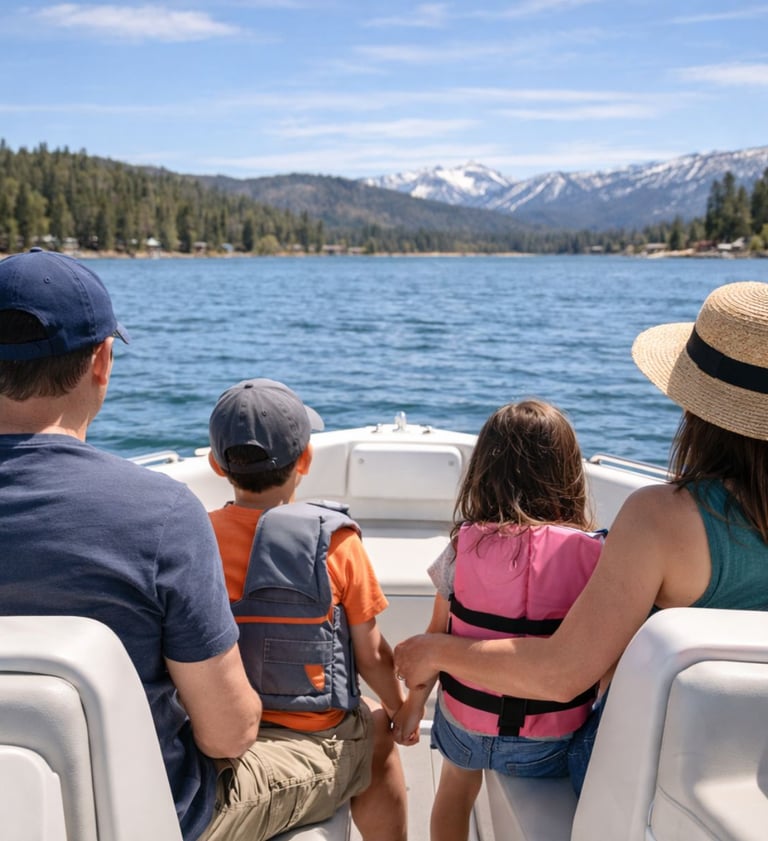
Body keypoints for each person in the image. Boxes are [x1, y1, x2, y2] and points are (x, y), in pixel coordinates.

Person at [0, 248, 373, 841]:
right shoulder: (160, 516)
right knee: (361, 743)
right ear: (102, 360)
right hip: (147, 817)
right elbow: (228, 735)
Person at [394, 280, 768, 796]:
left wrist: (434, 650)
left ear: (699, 410)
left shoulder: (663, 519)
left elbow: (562, 676)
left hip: (655, 774)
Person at [391, 400, 604, 841]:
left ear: (484, 472)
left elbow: (437, 639)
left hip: (465, 727)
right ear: (569, 472)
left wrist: (412, 708)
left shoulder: (461, 548)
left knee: (454, 789)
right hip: (549, 743)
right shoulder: (595, 557)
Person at [206, 377, 408, 841]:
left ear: (218, 466)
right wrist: (401, 708)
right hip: (311, 738)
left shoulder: (196, 537)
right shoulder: (335, 542)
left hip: (223, 729)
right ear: (306, 459)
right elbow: (372, 653)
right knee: (377, 730)